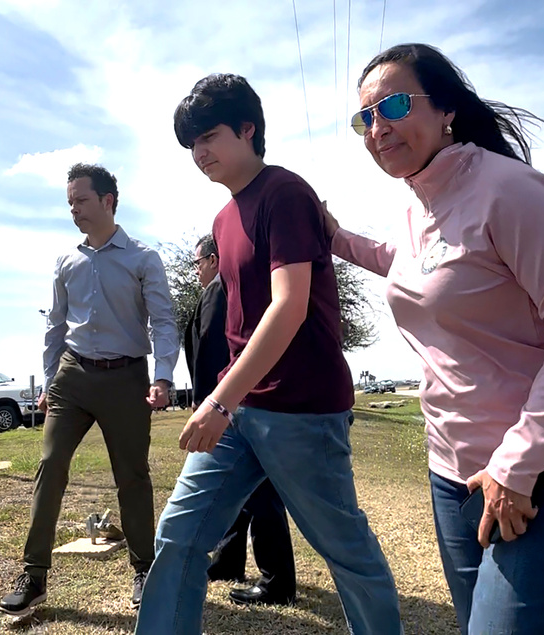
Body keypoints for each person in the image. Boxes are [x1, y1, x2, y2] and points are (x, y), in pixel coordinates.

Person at [327, 43, 544, 634]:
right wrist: (335, 237)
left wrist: (515, 466)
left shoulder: (512, 190)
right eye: (365, 118)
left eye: (395, 105)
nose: (377, 128)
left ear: (447, 110)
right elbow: (417, 268)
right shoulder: (417, 207)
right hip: (453, 467)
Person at [135, 73, 401, 635]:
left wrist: (218, 401)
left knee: (343, 546)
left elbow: (289, 307)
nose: (198, 153)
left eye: (208, 136)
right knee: (179, 535)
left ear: (247, 128)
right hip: (240, 409)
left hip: (302, 407)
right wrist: (226, 398)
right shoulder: (222, 219)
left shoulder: (284, 193)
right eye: (190, 145)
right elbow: (239, 321)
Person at [0, 163, 179, 617]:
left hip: (126, 378)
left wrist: (162, 377)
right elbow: (55, 326)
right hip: (72, 378)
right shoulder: (66, 262)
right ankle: (34, 575)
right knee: (49, 465)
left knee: (132, 476)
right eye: (69, 202)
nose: (74, 209)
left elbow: (163, 320)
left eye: (81, 200)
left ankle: (144, 569)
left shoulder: (143, 258)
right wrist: (47, 380)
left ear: (108, 201)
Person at [184, 234, 297, 606]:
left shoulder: (220, 293)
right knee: (236, 491)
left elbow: (217, 356)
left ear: (214, 260)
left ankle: (277, 580)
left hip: (231, 407)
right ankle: (229, 559)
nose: (196, 269)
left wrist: (215, 405)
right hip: (229, 406)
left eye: (198, 262)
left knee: (263, 495)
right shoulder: (221, 291)